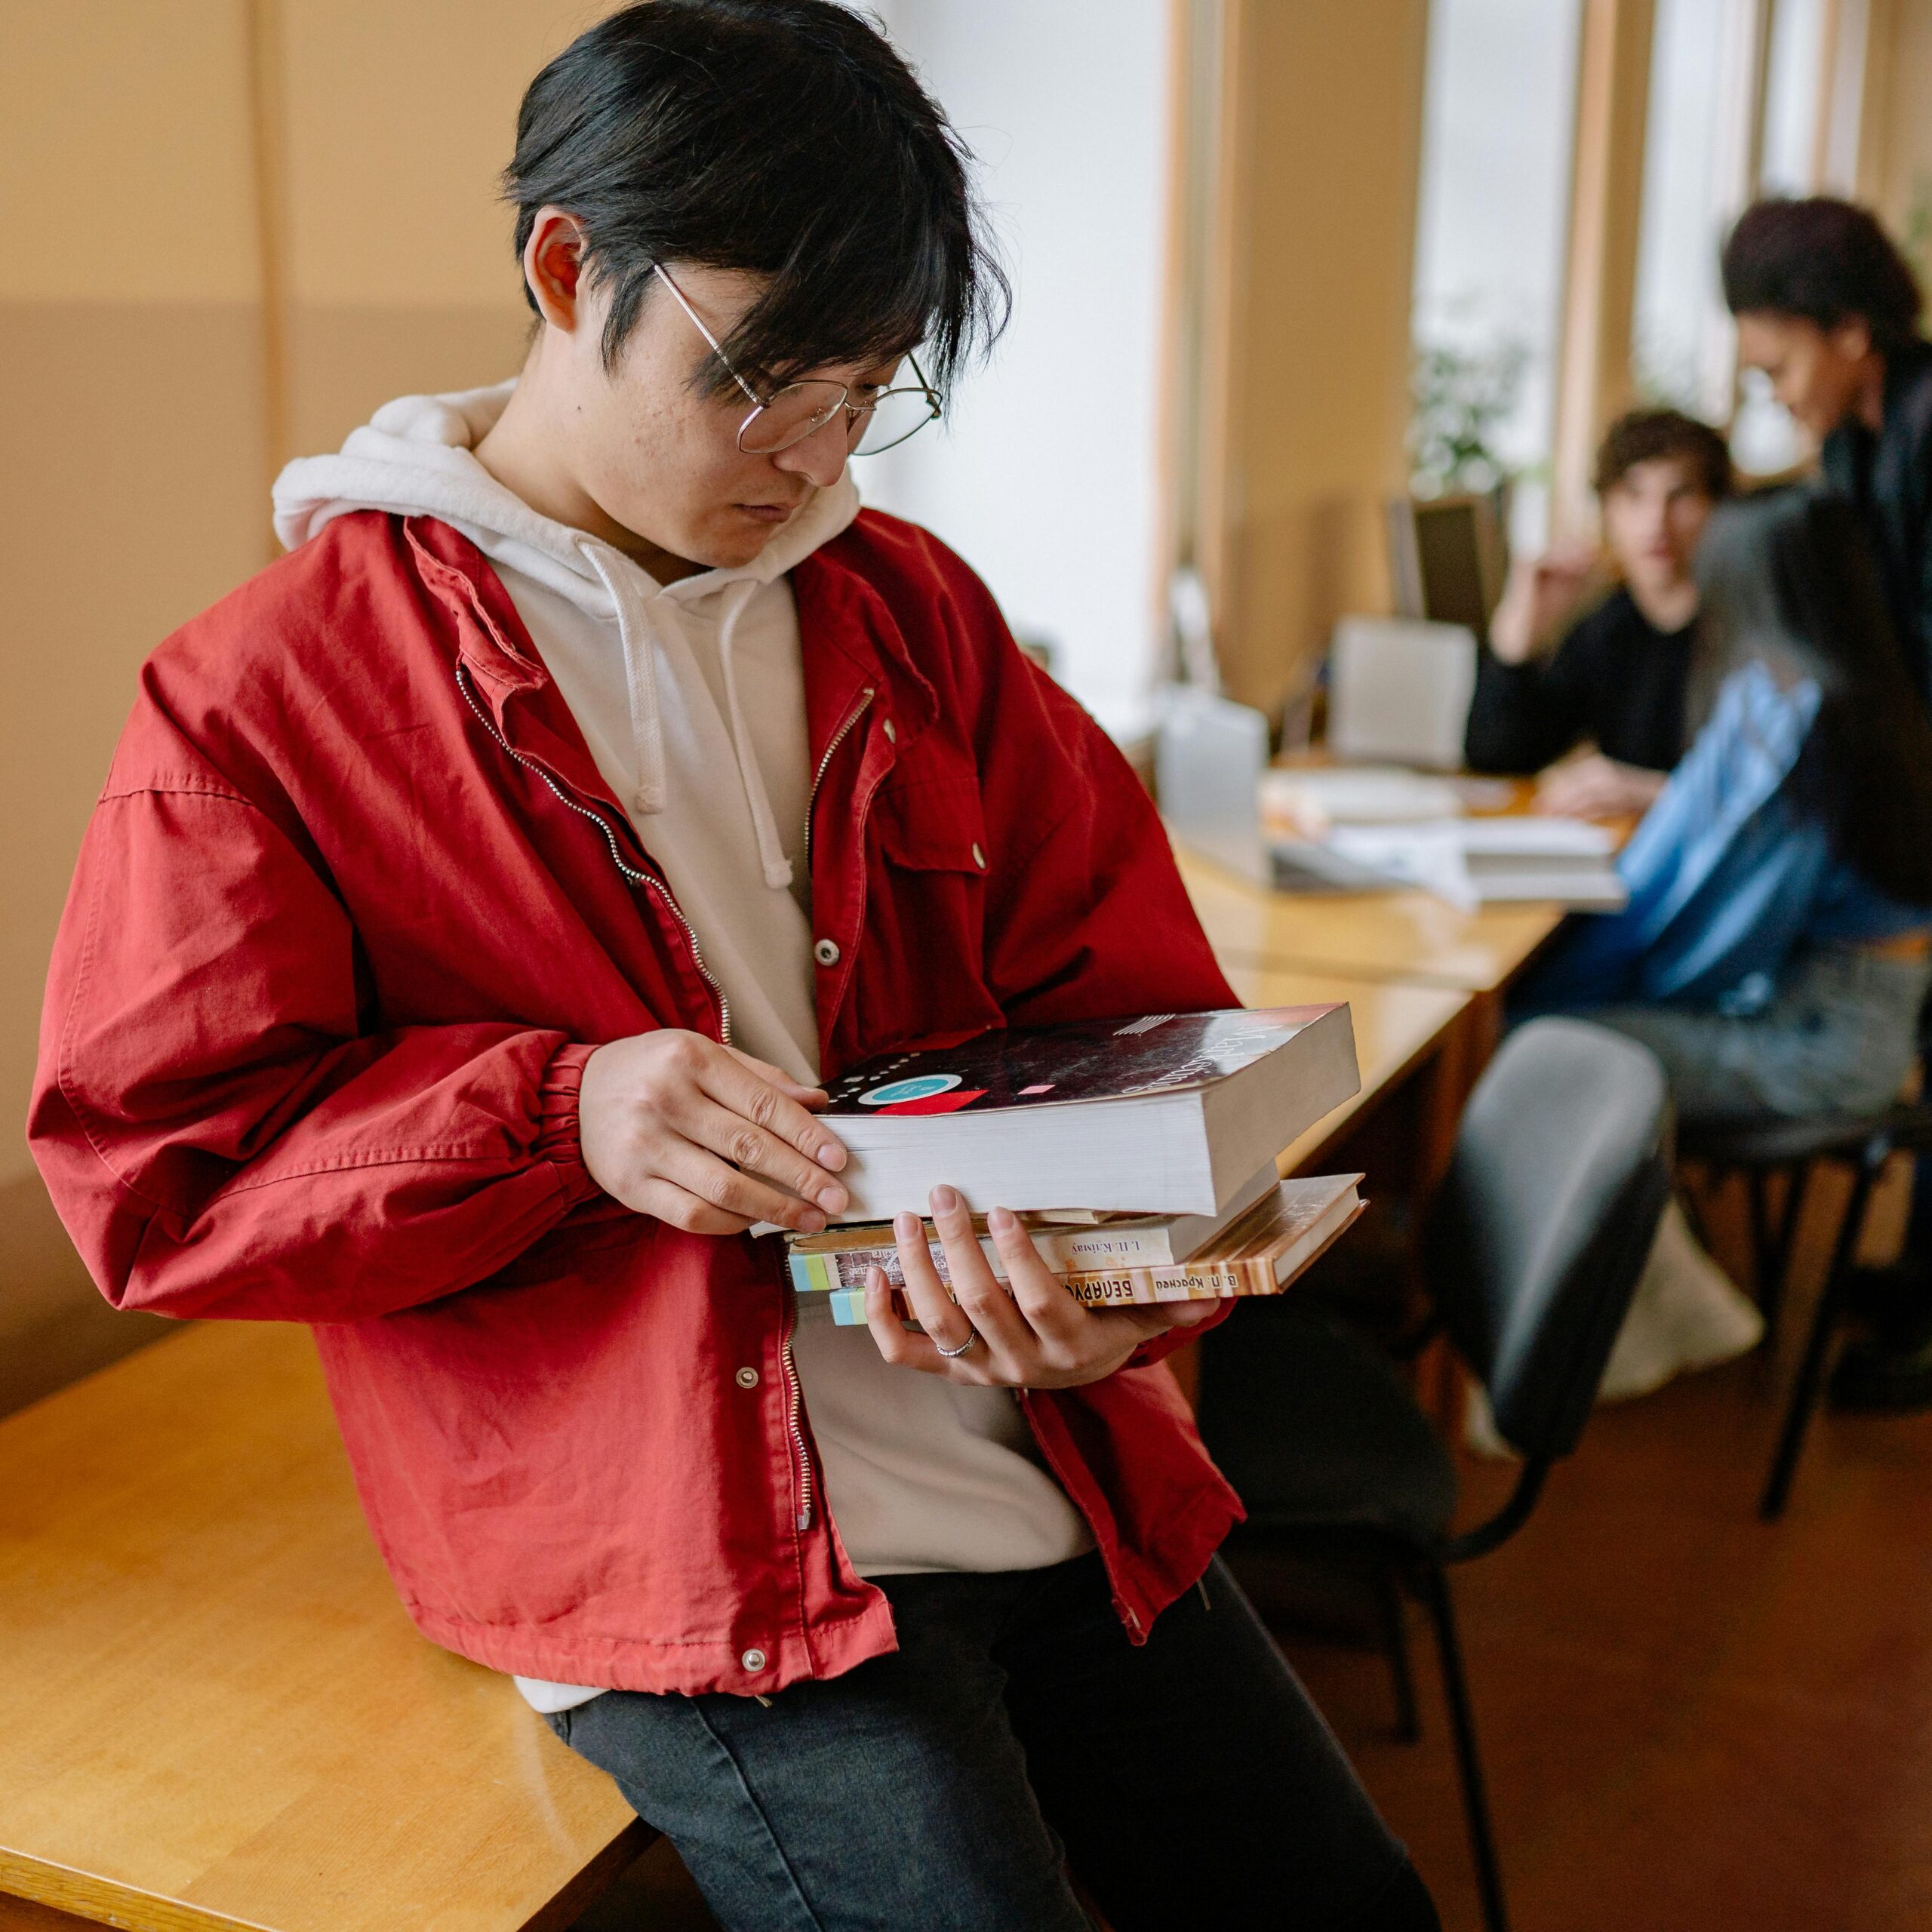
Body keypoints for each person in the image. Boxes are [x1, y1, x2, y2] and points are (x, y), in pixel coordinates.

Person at [26, 7, 1436, 1927]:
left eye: (865, 389)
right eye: (765, 375)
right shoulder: (269, 694)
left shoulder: (907, 612)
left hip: (1037, 1450)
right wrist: (560, 1106)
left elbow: (1127, 1021)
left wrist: (1119, 1296)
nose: (816, 449)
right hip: (673, 1544)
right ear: (562, 266)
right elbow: (158, 1172)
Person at [1512, 490, 1932, 1397]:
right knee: (1550, 1026)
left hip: (1822, 1043)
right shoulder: (1843, 692)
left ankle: (1649, 1310)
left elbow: (1712, 939)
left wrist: (1558, 984)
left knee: (1545, 1046)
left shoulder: (1808, 722)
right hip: (1826, 1010)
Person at [1724, 195, 1932, 1408]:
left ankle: (1921, 1323)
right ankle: (1915, 1285)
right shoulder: (1862, 435)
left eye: (1780, 361)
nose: (1776, 391)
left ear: (1852, 329)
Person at [1464, 408, 1731, 820]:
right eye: (1633, 495)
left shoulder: (1751, 629)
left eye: (1680, 496)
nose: (1655, 522)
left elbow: (1790, 798)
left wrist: (1656, 794)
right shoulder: (1610, 627)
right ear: (1606, 510)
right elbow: (1499, 758)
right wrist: (1519, 631)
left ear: (1717, 509)